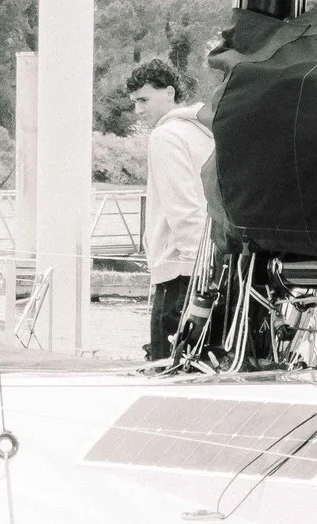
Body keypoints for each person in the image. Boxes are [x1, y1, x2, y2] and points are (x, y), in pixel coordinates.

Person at [129, 59, 213, 362]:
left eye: (143, 100)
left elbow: (183, 207)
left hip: (179, 273)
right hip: (208, 269)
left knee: (167, 367)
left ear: (169, 92)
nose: (138, 110)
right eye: (134, 103)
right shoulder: (203, 132)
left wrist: (194, 263)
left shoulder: (165, 136)